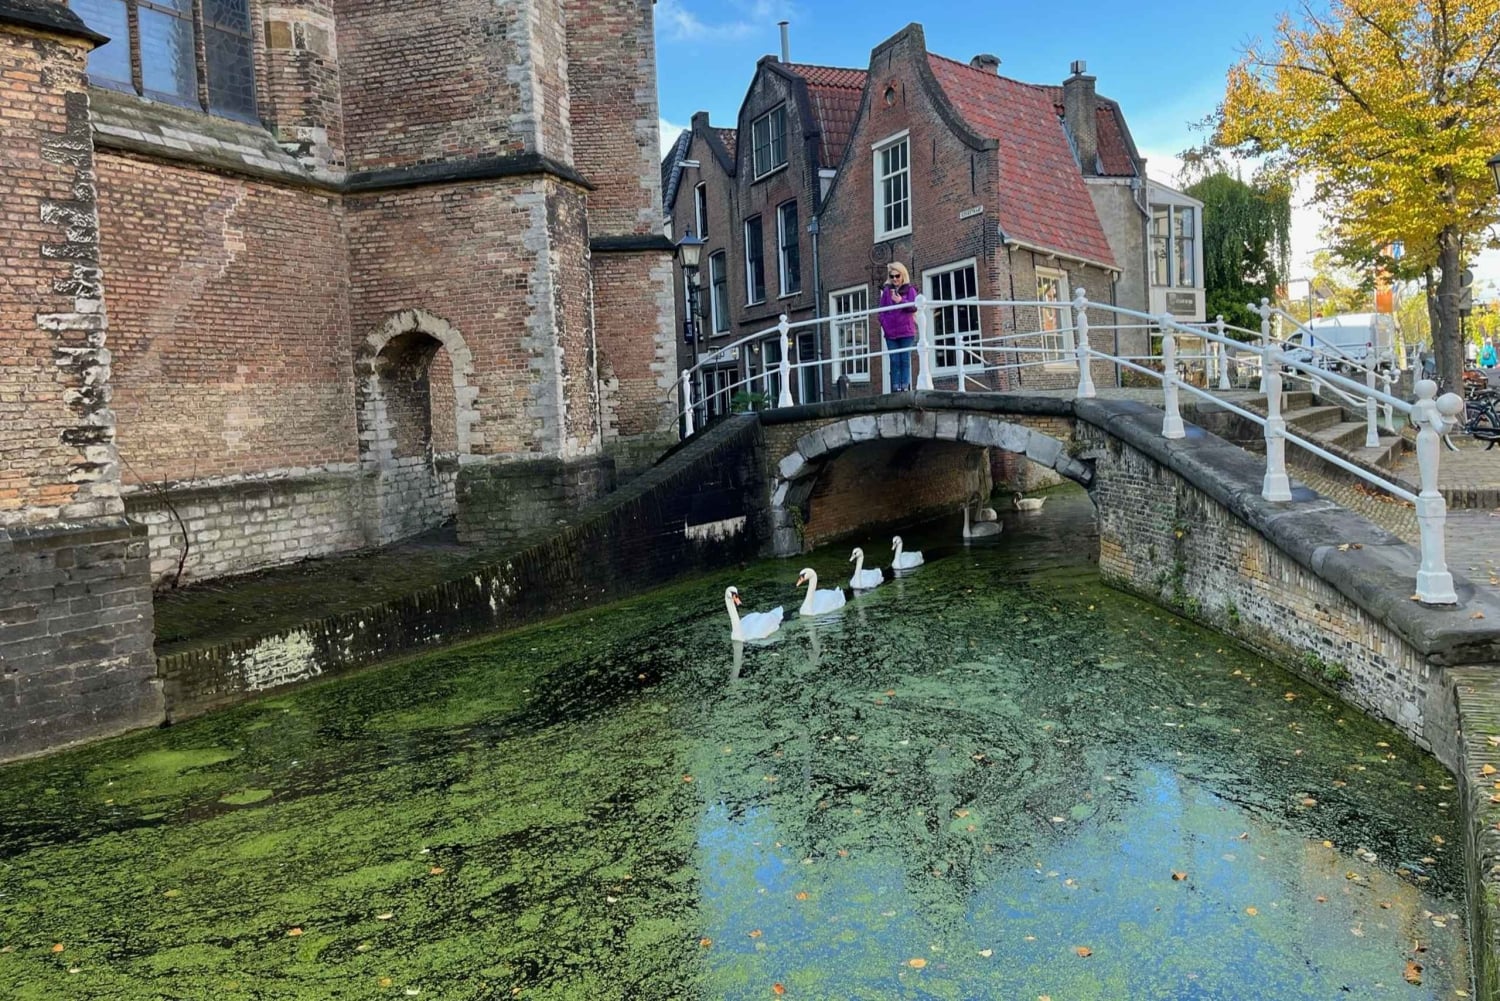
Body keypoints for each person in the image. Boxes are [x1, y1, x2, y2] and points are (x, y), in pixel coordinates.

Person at [878, 262, 919, 391]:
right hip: (891, 333)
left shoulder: (910, 290)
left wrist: (901, 301)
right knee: (894, 361)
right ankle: (895, 388)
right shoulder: (886, 292)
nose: (894, 279)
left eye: (897, 276)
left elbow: (914, 307)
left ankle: (905, 386)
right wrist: (885, 324)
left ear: (903, 275)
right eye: (892, 276)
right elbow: (881, 311)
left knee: (905, 360)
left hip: (906, 332)